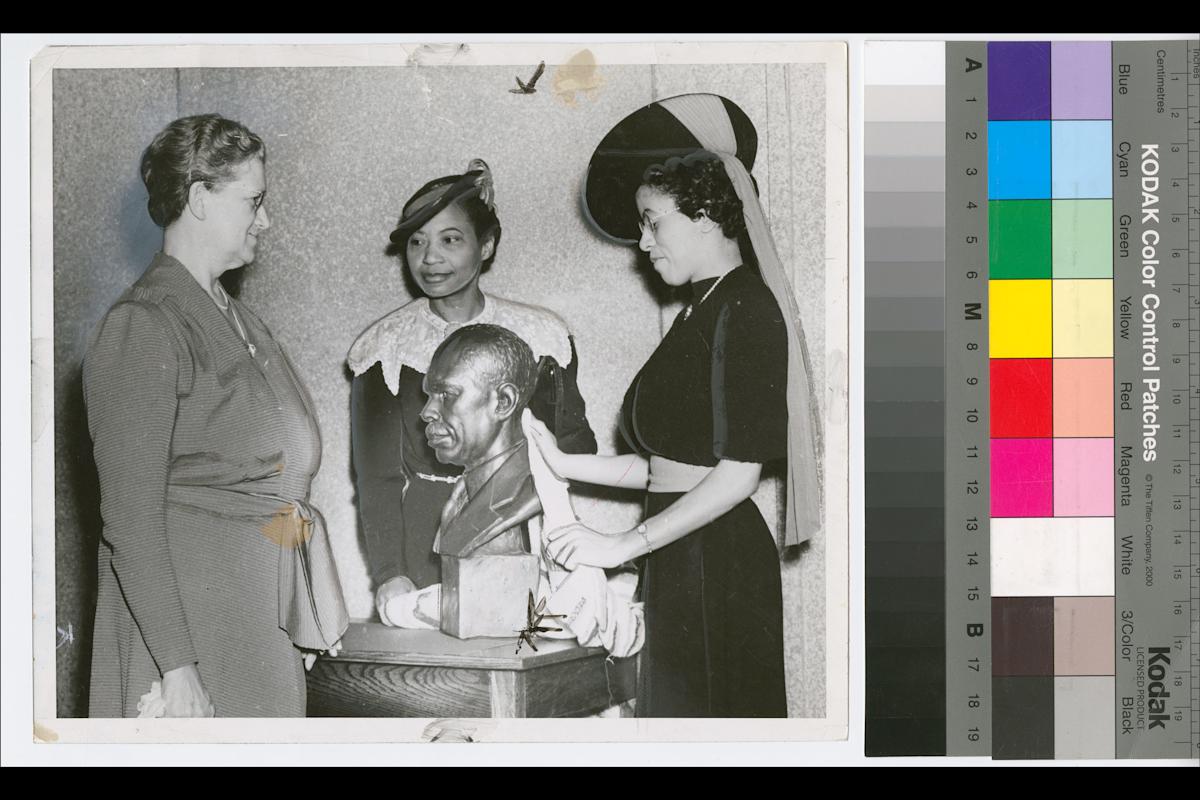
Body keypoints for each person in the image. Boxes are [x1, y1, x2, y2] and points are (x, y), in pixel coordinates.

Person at [527, 94, 823, 717]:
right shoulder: (701, 311)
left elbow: (737, 477)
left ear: (707, 216)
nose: (643, 242)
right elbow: (667, 465)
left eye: (652, 222)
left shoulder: (746, 308)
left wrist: (623, 543)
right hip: (682, 550)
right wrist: (564, 463)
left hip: (718, 559)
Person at [85, 114, 347, 718]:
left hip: (256, 626)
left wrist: (301, 595)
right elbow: (129, 521)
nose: (266, 219)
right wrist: (177, 668)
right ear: (200, 199)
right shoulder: (144, 324)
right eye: (254, 201)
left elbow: (281, 484)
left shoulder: (242, 322)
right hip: (185, 643)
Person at [347, 160, 597, 622]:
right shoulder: (385, 347)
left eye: (450, 240)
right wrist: (389, 573)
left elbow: (575, 444)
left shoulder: (541, 335)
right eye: (417, 242)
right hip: (425, 548)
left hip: (525, 534)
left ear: (486, 245)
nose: (429, 258)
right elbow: (376, 478)